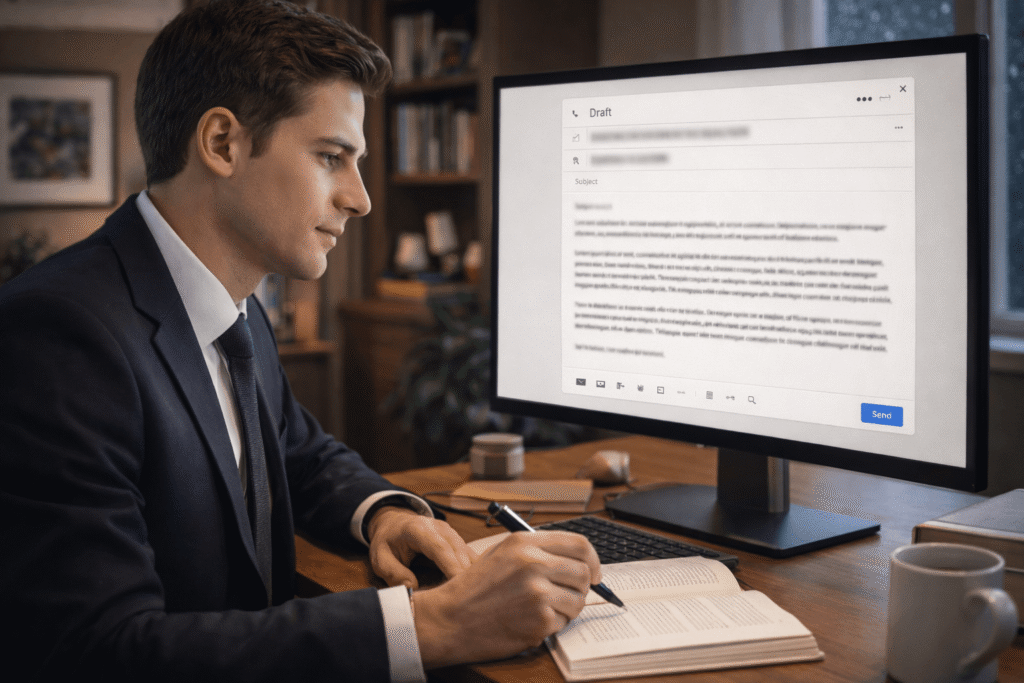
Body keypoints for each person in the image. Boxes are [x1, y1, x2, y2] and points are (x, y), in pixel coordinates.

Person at [0, 1, 601, 681]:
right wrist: (437, 623)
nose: (361, 198)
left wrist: (385, 513)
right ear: (223, 143)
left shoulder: (234, 307)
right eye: (331, 157)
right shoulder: (56, 334)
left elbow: (298, 452)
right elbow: (101, 651)